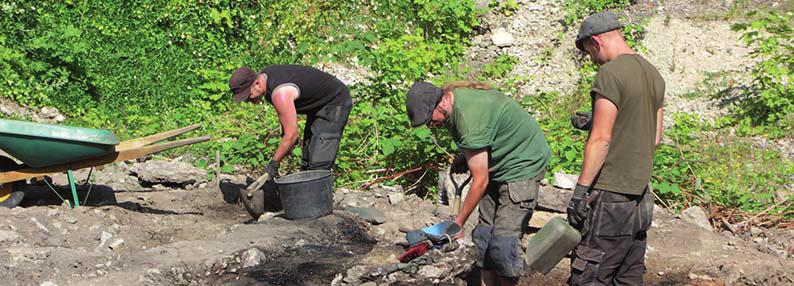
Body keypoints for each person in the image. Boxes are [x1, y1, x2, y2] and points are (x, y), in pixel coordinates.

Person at [405, 81, 551, 286]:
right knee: (483, 237)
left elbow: (480, 180)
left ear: (442, 103)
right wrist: (465, 157)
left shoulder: (468, 117)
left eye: (430, 120)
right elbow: (482, 136)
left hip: (522, 164)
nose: (432, 126)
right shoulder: (453, 103)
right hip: (497, 162)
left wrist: (459, 223)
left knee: (503, 244)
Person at [567, 11, 665, 286]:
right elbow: (654, 136)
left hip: (611, 195)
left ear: (595, 42)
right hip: (641, 195)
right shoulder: (652, 72)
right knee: (628, 275)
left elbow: (601, 139)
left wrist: (580, 192)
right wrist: (593, 120)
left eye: (588, 52)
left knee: (590, 275)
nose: (591, 59)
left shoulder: (610, 73)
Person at [228, 65, 352, 192]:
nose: (248, 100)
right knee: (307, 158)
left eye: (248, 96)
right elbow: (287, 129)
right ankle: (306, 199)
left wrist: (273, 164)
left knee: (319, 164)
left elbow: (292, 135)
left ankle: (320, 207)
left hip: (335, 101)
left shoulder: (279, 93)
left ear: (257, 84)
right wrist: (286, 145)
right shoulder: (267, 80)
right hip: (318, 104)